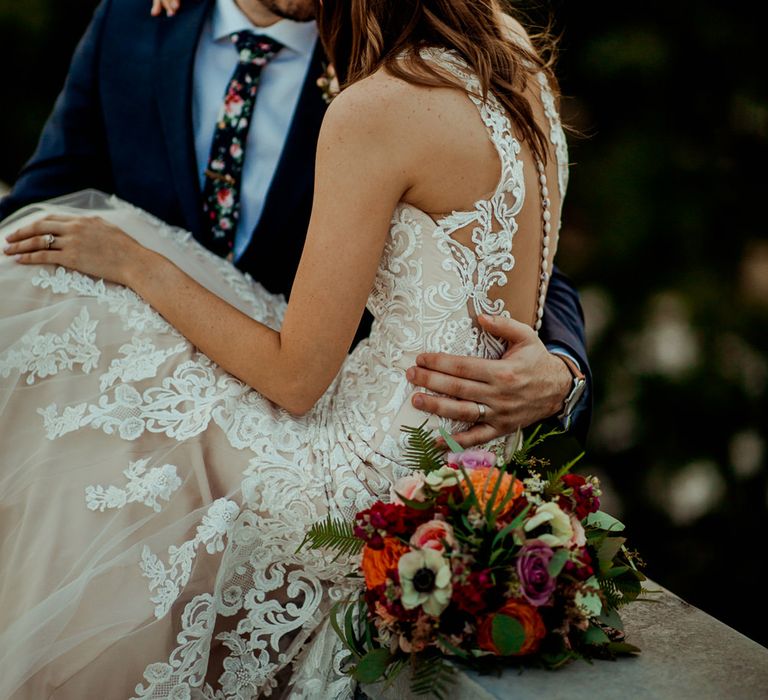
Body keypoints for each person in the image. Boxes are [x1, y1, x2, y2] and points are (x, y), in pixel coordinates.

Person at [1, 1, 574, 698]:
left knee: (115, 358)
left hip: (357, 475)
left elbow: (295, 379)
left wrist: (134, 265)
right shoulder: (512, 56)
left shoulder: (377, 105)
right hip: (467, 460)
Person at [0, 0, 592, 447]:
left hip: (324, 429)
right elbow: (42, 200)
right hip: (132, 405)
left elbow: (491, 242)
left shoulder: (380, 69)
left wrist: (564, 373)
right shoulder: (131, 20)